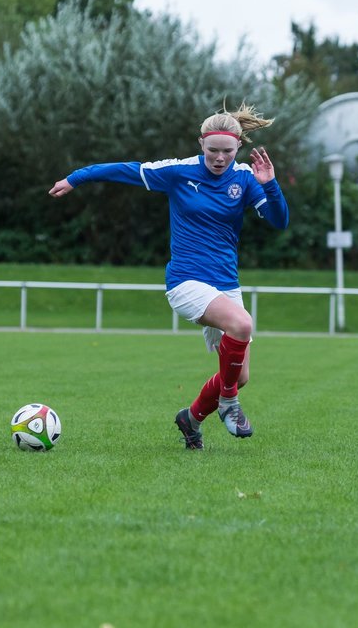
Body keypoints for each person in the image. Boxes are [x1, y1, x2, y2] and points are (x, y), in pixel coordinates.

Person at [48, 104, 289, 450]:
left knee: (238, 376)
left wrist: (271, 185)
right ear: (200, 144)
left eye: (227, 151)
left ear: (238, 148)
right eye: (212, 151)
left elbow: (279, 221)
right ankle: (228, 404)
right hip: (186, 281)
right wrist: (76, 178)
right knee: (242, 326)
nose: (219, 158)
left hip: (225, 284)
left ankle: (190, 419)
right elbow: (126, 170)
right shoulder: (179, 171)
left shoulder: (245, 180)